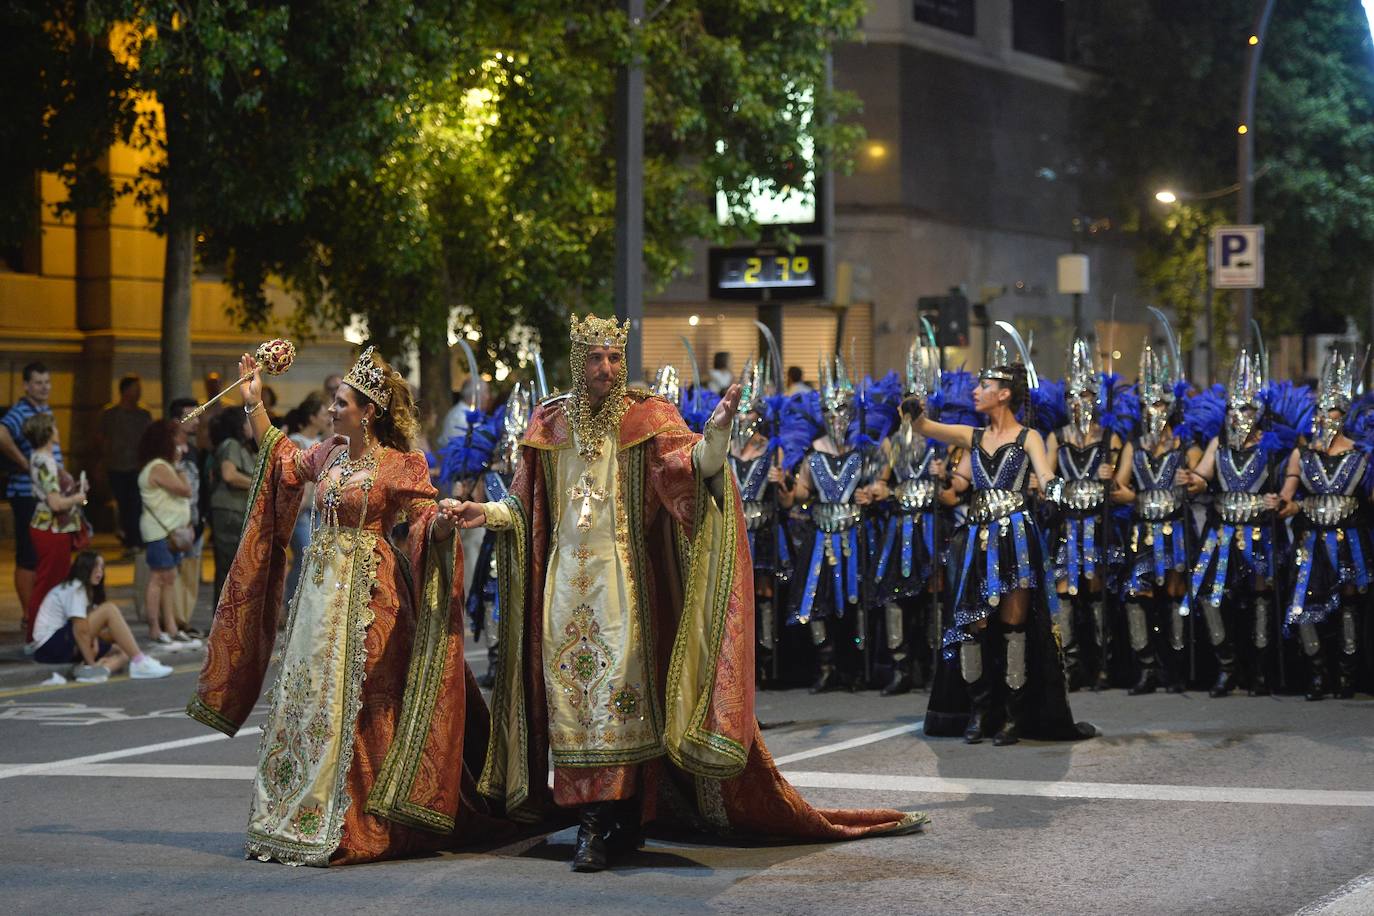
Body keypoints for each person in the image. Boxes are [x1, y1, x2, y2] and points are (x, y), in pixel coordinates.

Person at [450, 315, 925, 873]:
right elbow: (525, 506)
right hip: (561, 593)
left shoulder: (646, 417)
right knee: (572, 708)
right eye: (594, 359)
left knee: (616, 705)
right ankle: (607, 817)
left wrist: (718, 429)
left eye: (613, 357)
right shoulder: (548, 423)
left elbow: (690, 471)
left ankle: (600, 822)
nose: (605, 368)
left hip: (624, 594)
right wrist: (482, 512)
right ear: (577, 363)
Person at [188, 346, 499, 867]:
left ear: (368, 410)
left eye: (342, 402)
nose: (332, 410)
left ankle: (360, 817)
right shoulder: (329, 453)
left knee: (362, 700)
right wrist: (253, 402)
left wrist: (443, 524)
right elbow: (282, 461)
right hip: (318, 595)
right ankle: (295, 812)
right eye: (333, 402)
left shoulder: (401, 463)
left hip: (371, 596)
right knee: (310, 696)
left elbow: (423, 516)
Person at [913, 336, 1096, 746]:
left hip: (1015, 538)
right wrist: (914, 413)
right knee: (973, 625)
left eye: (983, 387)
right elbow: (926, 429)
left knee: (1015, 626)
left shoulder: (1029, 437)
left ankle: (1013, 716)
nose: (975, 392)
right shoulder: (971, 436)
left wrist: (1057, 490)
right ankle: (980, 711)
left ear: (1004, 394)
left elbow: (1045, 476)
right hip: (977, 540)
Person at [1180, 350, 1303, 697]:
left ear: (1259, 411)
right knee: (1211, 598)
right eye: (1234, 409)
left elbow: (1286, 487)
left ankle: (1261, 672)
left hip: (1260, 532)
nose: (1239, 415)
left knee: (1261, 597)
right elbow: (1203, 476)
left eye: (1246, 409)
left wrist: (1279, 500)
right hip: (1221, 533)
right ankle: (1227, 667)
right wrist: (1193, 480)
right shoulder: (1218, 444)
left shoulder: (1272, 444)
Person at [1278, 352, 1368, 700]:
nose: (1325, 417)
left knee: (1348, 603)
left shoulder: (1362, 453)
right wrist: (1283, 505)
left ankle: (1346, 675)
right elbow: (1289, 492)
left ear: (1343, 415)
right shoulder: (1303, 453)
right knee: (1303, 603)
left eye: (1332, 410)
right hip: (1311, 539)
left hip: (1350, 539)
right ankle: (1317, 672)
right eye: (1321, 410)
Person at [1113, 344, 1199, 695]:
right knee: (1139, 593)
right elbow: (1118, 486)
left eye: (1161, 403)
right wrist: (1134, 495)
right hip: (1142, 530)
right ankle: (1145, 668)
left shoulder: (1185, 444)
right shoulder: (1134, 444)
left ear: (1172, 406)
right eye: (1150, 403)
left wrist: (1189, 483)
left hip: (1175, 528)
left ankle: (1174, 670)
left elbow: (1197, 484)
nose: (1155, 410)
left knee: (1175, 594)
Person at [784, 355, 868, 693]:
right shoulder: (812, 452)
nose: (837, 419)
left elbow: (878, 484)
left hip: (855, 533)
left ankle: (854, 667)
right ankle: (826, 665)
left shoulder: (863, 449)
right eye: (831, 413)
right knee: (816, 601)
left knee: (854, 601)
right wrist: (786, 484)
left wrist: (874, 492)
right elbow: (801, 493)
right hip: (820, 535)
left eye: (843, 412)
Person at [1045, 339, 1122, 691]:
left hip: (1099, 526)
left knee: (1095, 593)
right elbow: (1045, 483)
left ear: (1096, 398)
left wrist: (1111, 480)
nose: (1079, 403)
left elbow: (1123, 490)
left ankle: (1104, 663)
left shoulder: (1110, 438)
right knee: (1065, 593)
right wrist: (1063, 489)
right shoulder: (1055, 438)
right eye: (1072, 397)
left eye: (1086, 396)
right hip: (1066, 525)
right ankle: (1071, 663)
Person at [31, 551, 173, 680]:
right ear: (85, 568)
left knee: (124, 651)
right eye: (96, 567)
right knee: (109, 609)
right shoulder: (75, 588)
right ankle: (138, 662)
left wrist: (98, 644)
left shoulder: (86, 591)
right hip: (48, 646)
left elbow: (88, 627)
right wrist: (91, 661)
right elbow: (80, 630)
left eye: (102, 568)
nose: (100, 572)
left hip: (64, 642)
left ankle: (100, 671)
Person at [22, 412, 88, 643]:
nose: (58, 431)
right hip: (51, 529)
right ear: (48, 433)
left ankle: (45, 632)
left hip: (50, 528)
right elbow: (55, 502)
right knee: (49, 582)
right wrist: (78, 498)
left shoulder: (40, 458)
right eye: (55, 427)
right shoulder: (45, 461)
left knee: (52, 581)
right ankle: (37, 635)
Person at [1, 361, 58, 619]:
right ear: (26, 385)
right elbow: (1, 433)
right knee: (28, 554)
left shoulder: (45, 409)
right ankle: (28, 614)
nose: (44, 387)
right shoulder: (20, 411)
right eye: (38, 383)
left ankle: (38, 610)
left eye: (47, 382)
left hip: (45, 494)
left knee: (43, 553)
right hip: (27, 494)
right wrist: (25, 464)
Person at [137, 420, 200, 648]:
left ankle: (171, 627)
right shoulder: (159, 467)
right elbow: (185, 489)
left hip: (171, 531)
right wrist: (180, 466)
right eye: (176, 436)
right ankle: (156, 629)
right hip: (160, 532)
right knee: (158, 578)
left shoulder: (163, 465)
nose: (182, 440)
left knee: (169, 578)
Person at [283, 392, 330, 604]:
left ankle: (308, 602)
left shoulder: (323, 442)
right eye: (323, 413)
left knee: (318, 557)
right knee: (304, 554)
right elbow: (297, 476)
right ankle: (289, 602)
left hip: (319, 509)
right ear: (312, 417)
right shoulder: (297, 440)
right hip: (302, 508)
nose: (327, 418)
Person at [208, 408, 256, 608]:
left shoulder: (243, 447)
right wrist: (256, 482)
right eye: (247, 422)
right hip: (229, 512)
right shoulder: (232, 445)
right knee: (229, 567)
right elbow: (229, 475)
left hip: (236, 511)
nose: (250, 426)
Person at [99, 375, 153, 549]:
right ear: (125, 391)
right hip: (116, 466)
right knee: (122, 504)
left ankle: (136, 540)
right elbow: (103, 440)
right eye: (135, 389)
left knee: (136, 503)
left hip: (137, 466)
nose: (139, 393)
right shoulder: (110, 414)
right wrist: (102, 462)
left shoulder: (143, 414)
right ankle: (129, 538)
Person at [169, 397, 206, 637]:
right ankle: (171, 620)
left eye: (198, 416)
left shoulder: (194, 450)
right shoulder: (167, 449)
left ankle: (183, 619)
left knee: (191, 570)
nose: (197, 421)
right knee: (172, 571)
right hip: (174, 518)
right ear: (176, 420)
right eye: (190, 416)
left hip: (194, 517)